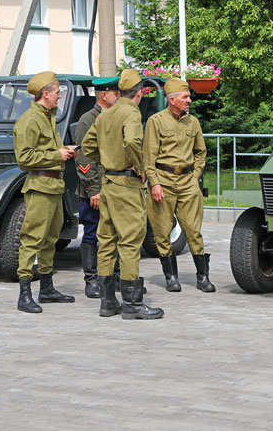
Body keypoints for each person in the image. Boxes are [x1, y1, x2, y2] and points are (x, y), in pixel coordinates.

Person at [82, 68, 164, 320]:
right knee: (129, 243)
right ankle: (132, 304)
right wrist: (138, 167)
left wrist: (107, 161)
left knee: (106, 242)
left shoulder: (107, 114)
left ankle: (108, 303)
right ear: (139, 93)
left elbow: (87, 146)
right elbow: (131, 142)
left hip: (108, 184)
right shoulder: (130, 112)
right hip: (127, 187)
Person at [13, 70, 78, 313]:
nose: (60, 96)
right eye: (58, 92)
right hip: (39, 187)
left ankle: (47, 288)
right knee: (32, 239)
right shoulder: (29, 120)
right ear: (46, 93)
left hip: (53, 186)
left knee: (51, 239)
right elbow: (24, 158)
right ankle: (24, 293)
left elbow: (50, 149)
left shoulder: (49, 116)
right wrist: (56, 155)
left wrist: (67, 151)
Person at [143, 78, 214, 292]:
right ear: (172, 100)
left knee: (193, 230)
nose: (189, 100)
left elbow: (201, 152)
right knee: (162, 231)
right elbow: (148, 157)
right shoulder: (156, 121)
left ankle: (202, 278)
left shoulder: (193, 122)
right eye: (185, 97)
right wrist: (154, 183)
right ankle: (171, 277)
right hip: (162, 181)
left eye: (189, 96)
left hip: (187, 181)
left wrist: (195, 177)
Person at [74, 77, 120, 298]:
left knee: (116, 233)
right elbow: (83, 159)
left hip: (113, 187)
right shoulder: (88, 119)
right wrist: (93, 189)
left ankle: (115, 276)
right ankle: (91, 280)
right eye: (116, 94)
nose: (119, 97)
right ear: (104, 95)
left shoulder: (115, 117)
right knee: (92, 233)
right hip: (95, 189)